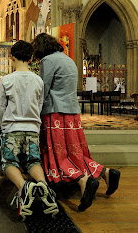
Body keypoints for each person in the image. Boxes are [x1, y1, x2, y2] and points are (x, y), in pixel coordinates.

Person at [32, 33, 121, 211]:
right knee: (76, 154)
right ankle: (106, 173)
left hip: (55, 114)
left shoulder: (48, 61)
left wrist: (34, 111)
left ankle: (83, 181)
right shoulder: (68, 59)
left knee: (58, 156)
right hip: (73, 114)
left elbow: (43, 88)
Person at [0, 40, 58, 221]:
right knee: (33, 161)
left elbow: (1, 108)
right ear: (31, 58)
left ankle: (24, 188)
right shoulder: (38, 80)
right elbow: (39, 106)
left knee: (9, 163)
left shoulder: (6, 80)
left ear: (12, 58)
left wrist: (4, 127)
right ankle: (43, 186)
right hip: (32, 129)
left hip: (12, 129)